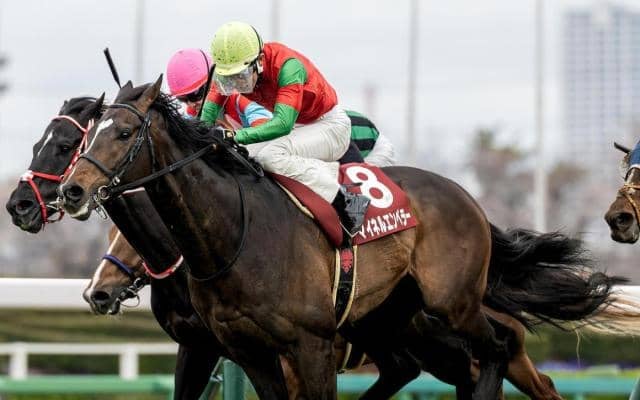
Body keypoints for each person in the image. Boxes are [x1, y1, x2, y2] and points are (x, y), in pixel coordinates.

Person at [201, 22, 369, 236]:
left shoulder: (288, 66)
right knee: (237, 154)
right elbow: (205, 120)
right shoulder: (230, 69)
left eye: (241, 76)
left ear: (259, 61)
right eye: (229, 79)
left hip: (331, 127)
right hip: (298, 130)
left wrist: (234, 135)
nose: (235, 84)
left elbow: (282, 124)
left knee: (270, 156)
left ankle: (348, 202)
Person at [166, 48, 272, 129]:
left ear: (213, 82)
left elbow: (266, 127)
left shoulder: (239, 97)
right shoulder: (192, 113)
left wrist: (230, 137)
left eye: (195, 95)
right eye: (183, 99)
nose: (191, 104)